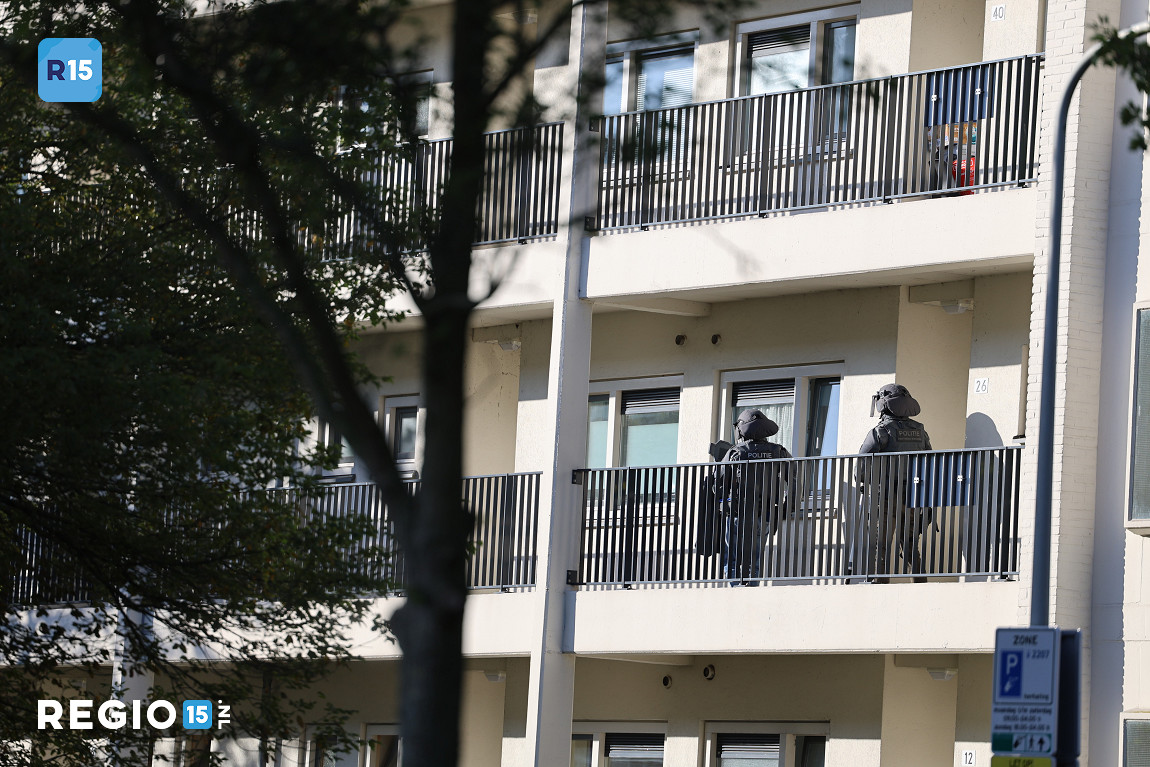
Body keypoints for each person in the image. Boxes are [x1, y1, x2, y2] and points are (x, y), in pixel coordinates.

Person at [855, 383, 932, 583]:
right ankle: (919, 585)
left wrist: (864, 482)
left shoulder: (881, 431)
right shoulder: (920, 431)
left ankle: (878, 584)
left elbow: (861, 466)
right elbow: (930, 462)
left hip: (886, 497)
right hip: (913, 497)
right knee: (909, 544)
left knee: (881, 544)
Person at [713, 409, 791, 584]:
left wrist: (722, 502)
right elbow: (796, 477)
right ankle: (752, 588)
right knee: (754, 558)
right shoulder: (778, 451)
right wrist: (786, 506)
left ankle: (734, 590)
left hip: (737, 512)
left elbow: (718, 481)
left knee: (731, 557)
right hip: (764, 513)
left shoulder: (736, 452)